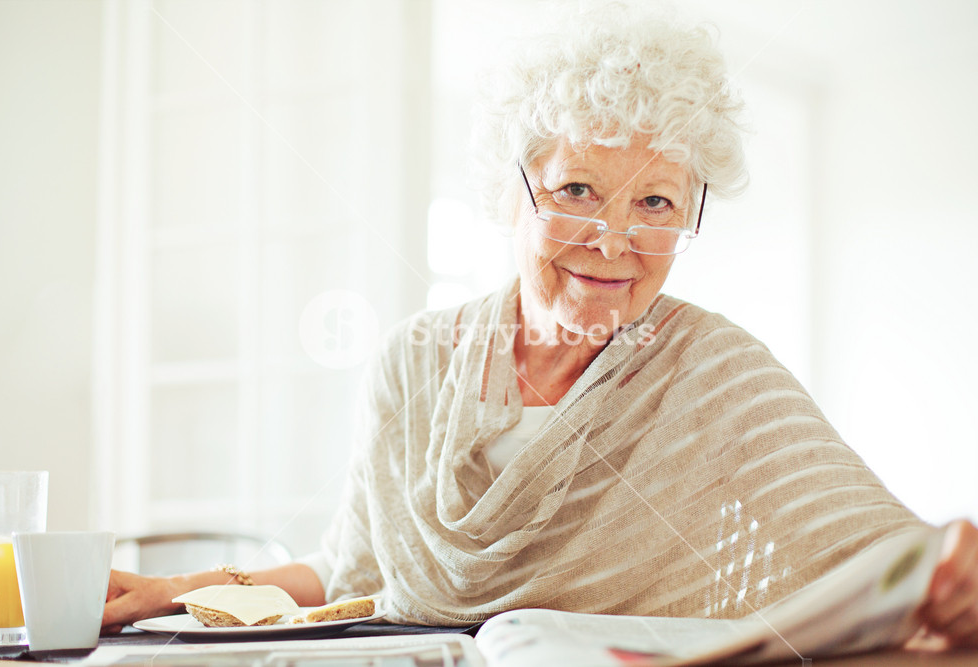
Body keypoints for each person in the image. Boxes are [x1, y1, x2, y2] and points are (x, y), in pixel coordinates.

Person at [102, 4, 978, 646]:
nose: (616, 240)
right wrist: (176, 587)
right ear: (510, 190)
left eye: (657, 202)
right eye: (577, 190)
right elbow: (349, 571)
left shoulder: (720, 371)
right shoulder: (414, 361)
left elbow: (887, 557)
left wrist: (952, 572)